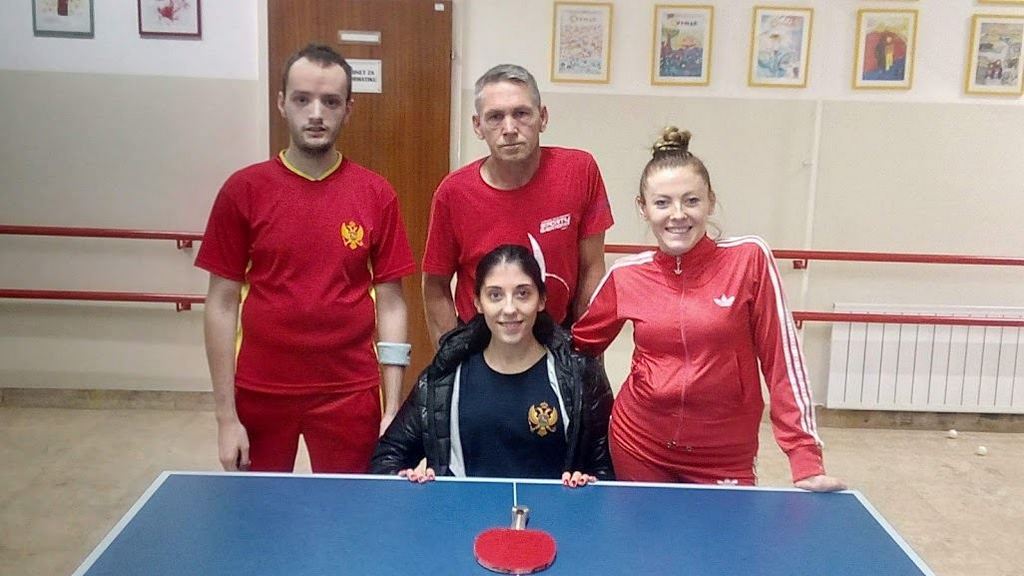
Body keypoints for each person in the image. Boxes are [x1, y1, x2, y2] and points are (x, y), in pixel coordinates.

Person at [572, 127, 846, 492]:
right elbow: (577, 346)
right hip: (639, 445)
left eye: (691, 201)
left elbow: (782, 360)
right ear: (643, 208)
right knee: (644, 533)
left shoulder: (749, 260)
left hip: (724, 454)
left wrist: (805, 459)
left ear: (710, 202)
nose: (678, 215)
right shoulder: (626, 275)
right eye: (662, 203)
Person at [196, 44, 415, 473]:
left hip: (349, 390)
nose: (316, 114)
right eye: (302, 99)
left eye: (330, 101)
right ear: (282, 103)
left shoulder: (377, 194)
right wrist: (226, 418)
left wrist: (391, 407)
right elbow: (220, 304)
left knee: (349, 509)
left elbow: (392, 303)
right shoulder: (243, 191)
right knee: (260, 509)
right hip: (261, 389)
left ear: (348, 109)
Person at [371, 244, 614, 486]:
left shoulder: (581, 376)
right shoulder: (444, 379)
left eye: (523, 294)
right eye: (495, 295)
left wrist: (589, 485)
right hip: (464, 510)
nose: (509, 309)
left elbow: (605, 470)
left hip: (551, 511)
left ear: (541, 300)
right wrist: (411, 484)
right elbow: (387, 457)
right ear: (478, 303)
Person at [422, 64, 614, 348]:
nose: (510, 129)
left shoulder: (579, 171)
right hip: (481, 342)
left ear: (543, 117)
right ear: (477, 126)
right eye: (495, 117)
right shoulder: (453, 193)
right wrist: (452, 360)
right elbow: (435, 286)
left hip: (558, 339)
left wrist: (585, 352)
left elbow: (592, 269)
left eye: (521, 114)